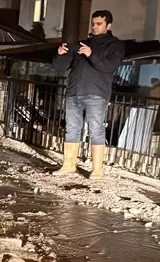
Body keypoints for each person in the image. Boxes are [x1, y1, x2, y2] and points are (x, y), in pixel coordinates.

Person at [52, 10, 125, 178]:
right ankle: (69, 165)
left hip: (96, 94)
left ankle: (97, 170)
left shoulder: (115, 45)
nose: (94, 26)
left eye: (99, 23)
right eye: (93, 23)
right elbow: (61, 66)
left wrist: (91, 54)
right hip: (74, 92)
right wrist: (60, 54)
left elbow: (110, 67)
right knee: (71, 129)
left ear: (108, 25)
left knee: (96, 130)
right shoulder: (81, 44)